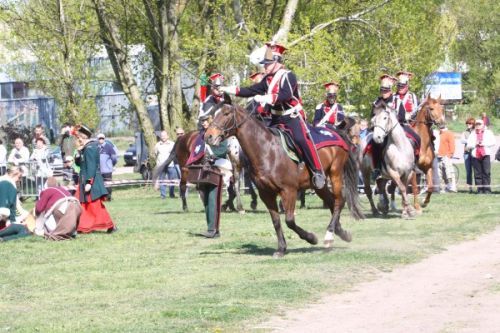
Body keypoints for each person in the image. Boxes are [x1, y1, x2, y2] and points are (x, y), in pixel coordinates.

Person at [220, 43, 326, 189]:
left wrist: (265, 98)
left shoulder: (288, 76)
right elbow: (251, 90)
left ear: (277, 62)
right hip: (276, 117)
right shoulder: (267, 79)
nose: (265, 67)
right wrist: (227, 89)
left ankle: (317, 171)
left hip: (291, 117)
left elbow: (285, 95)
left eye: (268, 64)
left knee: (301, 139)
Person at [74, 125, 116, 233]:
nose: (78, 140)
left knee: (94, 205)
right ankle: (84, 227)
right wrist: (78, 153)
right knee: (84, 205)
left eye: (79, 138)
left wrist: (89, 182)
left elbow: (92, 166)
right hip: (84, 179)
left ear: (83, 137)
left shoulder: (90, 148)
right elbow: (80, 164)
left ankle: (109, 225)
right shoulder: (85, 148)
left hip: (90, 180)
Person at [194, 115, 227, 238]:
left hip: (216, 169)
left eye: (205, 121)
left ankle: (213, 229)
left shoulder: (219, 134)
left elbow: (222, 150)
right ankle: (210, 228)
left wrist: (211, 154)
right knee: (206, 199)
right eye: (202, 122)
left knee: (213, 199)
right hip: (203, 170)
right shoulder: (201, 136)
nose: (203, 124)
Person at [0, 166, 32, 242]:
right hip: (3, 219)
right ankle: (3, 239)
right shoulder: (11, 184)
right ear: (15, 174)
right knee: (25, 230)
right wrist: (26, 216)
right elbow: (14, 207)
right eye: (20, 177)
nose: (19, 180)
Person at [466, 119, 495, 194]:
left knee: (486, 172)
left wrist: (484, 143)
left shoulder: (488, 133)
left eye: (479, 124)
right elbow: (468, 145)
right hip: (475, 155)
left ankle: (487, 190)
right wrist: (474, 144)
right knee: (477, 173)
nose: (478, 126)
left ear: (483, 125)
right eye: (477, 125)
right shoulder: (472, 134)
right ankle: (480, 190)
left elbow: (493, 142)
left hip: (485, 154)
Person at [155, 131, 177, 199]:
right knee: (162, 180)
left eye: (164, 136)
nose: (163, 137)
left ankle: (171, 194)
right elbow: (155, 154)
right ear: (160, 137)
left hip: (170, 165)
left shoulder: (172, 144)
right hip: (161, 166)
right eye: (162, 136)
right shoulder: (157, 145)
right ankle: (163, 195)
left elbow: (174, 154)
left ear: (168, 136)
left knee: (172, 181)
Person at [437, 124, 457, 192]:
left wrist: (450, 154)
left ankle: (453, 187)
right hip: (438, 156)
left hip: (446, 156)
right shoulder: (438, 134)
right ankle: (447, 186)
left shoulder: (449, 133)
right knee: (441, 173)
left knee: (449, 172)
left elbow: (452, 144)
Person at [97, 133, 117, 201]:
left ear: (104, 139)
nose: (101, 140)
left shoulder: (109, 147)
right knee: (101, 185)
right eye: (100, 138)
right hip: (99, 171)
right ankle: (102, 198)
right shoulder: (97, 148)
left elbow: (114, 158)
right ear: (98, 139)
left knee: (108, 184)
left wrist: (111, 165)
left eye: (102, 138)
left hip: (107, 170)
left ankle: (108, 198)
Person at [460, 118, 476, 193]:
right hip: (467, 153)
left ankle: (479, 186)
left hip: (475, 153)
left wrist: (468, 140)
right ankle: (470, 187)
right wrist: (470, 140)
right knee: (468, 171)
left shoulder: (476, 131)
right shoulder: (465, 132)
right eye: (467, 124)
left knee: (476, 170)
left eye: (469, 124)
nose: (468, 125)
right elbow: (462, 140)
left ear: (473, 124)